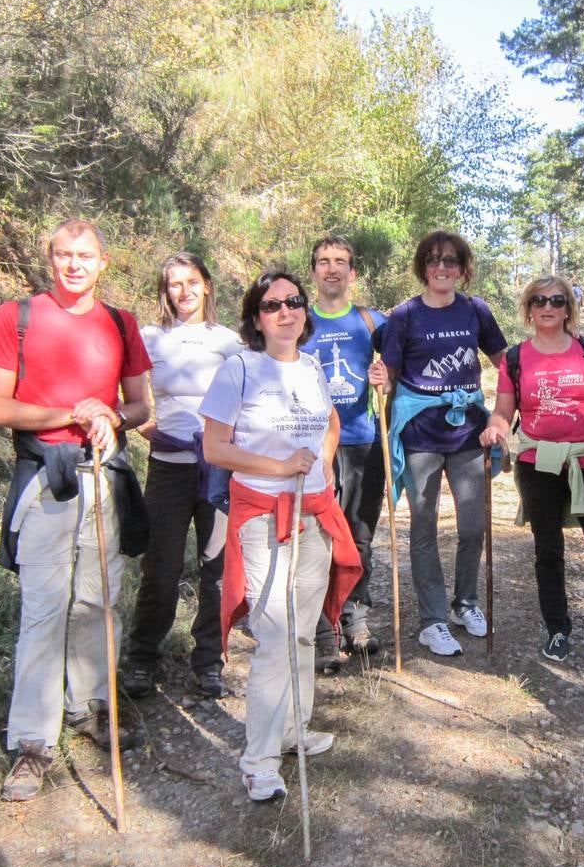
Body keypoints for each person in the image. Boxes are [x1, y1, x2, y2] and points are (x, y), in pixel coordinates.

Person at [0, 219, 152, 802]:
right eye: (62, 254)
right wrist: (70, 415)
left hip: (105, 476)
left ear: (105, 261)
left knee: (98, 601)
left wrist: (111, 417)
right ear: (49, 258)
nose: (73, 264)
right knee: (43, 610)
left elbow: (141, 404)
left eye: (84, 255)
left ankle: (91, 708)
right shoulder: (16, 318)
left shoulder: (121, 324)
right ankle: (31, 744)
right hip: (45, 481)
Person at [200, 270, 360, 802]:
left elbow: (330, 424)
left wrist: (326, 467)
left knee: (305, 630)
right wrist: (279, 463)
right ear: (255, 318)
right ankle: (259, 760)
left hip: (313, 512)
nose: (285, 311)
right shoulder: (239, 368)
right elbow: (215, 449)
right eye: (272, 306)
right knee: (276, 636)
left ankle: (293, 729)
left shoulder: (313, 366)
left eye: (294, 302)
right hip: (264, 515)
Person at [480, 277, 584, 667]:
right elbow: (504, 410)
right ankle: (557, 630)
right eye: (539, 300)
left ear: (568, 308)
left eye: (557, 300)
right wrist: (496, 429)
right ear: (528, 308)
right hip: (539, 464)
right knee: (548, 551)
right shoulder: (516, 358)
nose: (548, 306)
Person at [370, 231, 508, 657]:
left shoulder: (475, 310)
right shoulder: (406, 315)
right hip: (420, 435)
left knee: (472, 525)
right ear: (422, 267)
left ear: (462, 267)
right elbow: (389, 370)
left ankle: (464, 603)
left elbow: (507, 362)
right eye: (432, 260)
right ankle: (432, 620)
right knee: (424, 526)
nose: (441, 267)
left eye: (450, 260)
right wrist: (381, 377)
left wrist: (509, 408)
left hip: (468, 432)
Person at [122, 253, 243, 701]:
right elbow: (128, 387)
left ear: (207, 286)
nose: (184, 291)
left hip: (218, 471)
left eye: (192, 282)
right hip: (168, 468)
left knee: (216, 567)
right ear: (165, 291)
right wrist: (145, 426)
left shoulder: (229, 341)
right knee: (162, 567)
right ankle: (142, 659)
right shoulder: (150, 338)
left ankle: (209, 661)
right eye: (175, 284)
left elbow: (247, 396)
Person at [302, 236, 387, 673]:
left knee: (359, 536)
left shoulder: (373, 322)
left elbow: (401, 368)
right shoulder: (297, 321)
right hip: (312, 449)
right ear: (313, 271)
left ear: (353, 273)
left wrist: (385, 377)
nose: (332, 269)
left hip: (363, 443)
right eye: (323, 262)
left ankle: (356, 618)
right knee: (316, 538)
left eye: (340, 262)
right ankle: (322, 629)